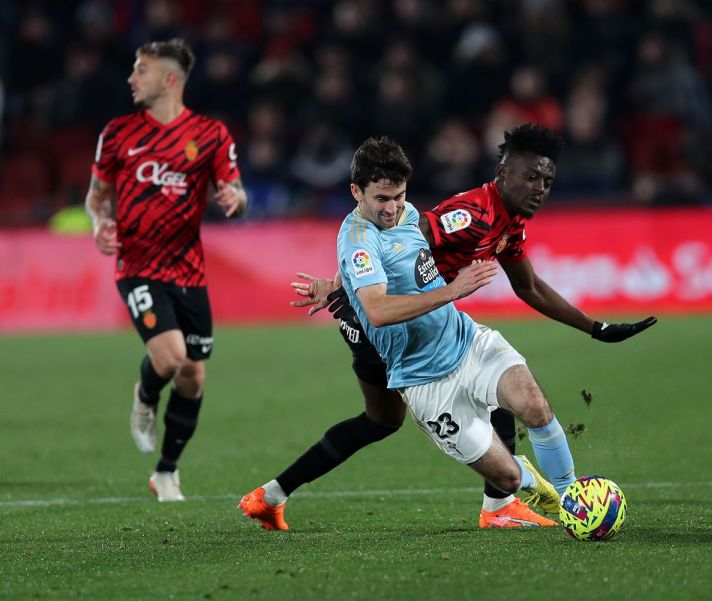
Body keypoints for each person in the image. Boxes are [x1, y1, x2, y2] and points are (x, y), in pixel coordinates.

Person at [239, 127, 656, 530]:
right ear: (356, 192)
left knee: (532, 406)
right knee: (388, 424)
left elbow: (523, 285)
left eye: (399, 197)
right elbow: (378, 302)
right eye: (381, 198)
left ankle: (568, 500)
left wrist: (595, 327)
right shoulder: (450, 219)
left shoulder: (428, 215)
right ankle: (512, 494)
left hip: (463, 339)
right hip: (409, 362)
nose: (392, 208)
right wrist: (443, 289)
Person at [85, 39, 248, 502]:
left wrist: (236, 201)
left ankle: (166, 472)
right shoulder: (118, 133)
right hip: (137, 266)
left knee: (194, 376)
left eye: (141, 70)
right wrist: (99, 223)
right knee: (172, 357)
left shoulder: (210, 134)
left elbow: (237, 191)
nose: (132, 78)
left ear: (168, 79)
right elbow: (95, 197)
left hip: (189, 271)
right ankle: (144, 395)